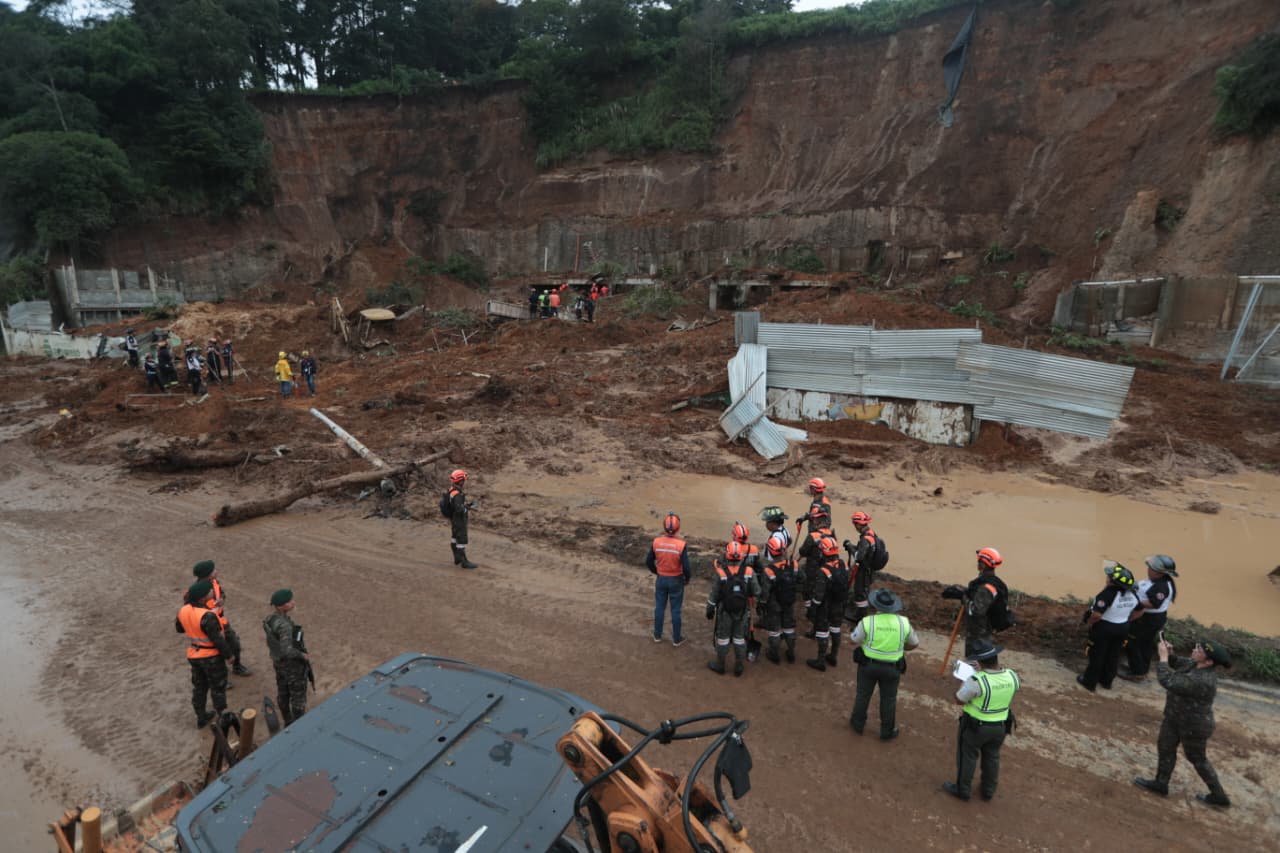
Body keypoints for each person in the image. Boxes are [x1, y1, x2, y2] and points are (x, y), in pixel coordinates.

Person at [1134, 637, 1232, 807]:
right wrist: (1171, 655)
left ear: (1209, 662)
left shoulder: (1202, 679)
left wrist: (1163, 657)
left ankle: (1219, 796)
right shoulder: (1195, 663)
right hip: (1174, 718)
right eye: (1196, 647)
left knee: (1197, 758)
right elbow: (1179, 663)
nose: (1194, 651)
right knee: (1165, 747)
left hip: (1194, 726)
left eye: (1199, 650)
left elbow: (1168, 681)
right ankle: (1161, 784)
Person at [943, 639, 1020, 802]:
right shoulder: (1012, 676)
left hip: (976, 726)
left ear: (978, 661)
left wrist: (962, 681)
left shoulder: (976, 681)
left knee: (968, 756)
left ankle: (963, 789)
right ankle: (988, 790)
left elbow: (959, 699)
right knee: (992, 756)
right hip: (1001, 725)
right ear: (995, 658)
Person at [849, 588, 919, 740]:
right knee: (889, 699)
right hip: (892, 668)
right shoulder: (904, 623)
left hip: (868, 666)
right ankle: (887, 731)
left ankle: (857, 724)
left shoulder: (868, 622)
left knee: (863, 694)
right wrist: (901, 647)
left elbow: (854, 639)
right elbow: (914, 643)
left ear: (875, 605)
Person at [175, 579, 234, 729]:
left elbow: (180, 629)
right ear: (202, 598)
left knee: (199, 687)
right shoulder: (207, 615)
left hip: (194, 655)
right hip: (211, 656)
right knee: (218, 688)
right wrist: (229, 655)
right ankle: (222, 717)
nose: (213, 592)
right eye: (210, 591)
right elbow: (217, 640)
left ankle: (201, 717)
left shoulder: (184, 610)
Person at [1077, 561, 1140, 692]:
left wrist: (1089, 623)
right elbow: (1140, 610)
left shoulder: (1107, 594)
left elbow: (1097, 615)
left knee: (1097, 655)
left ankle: (1089, 682)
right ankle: (1106, 682)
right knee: (1113, 655)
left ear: (1112, 581)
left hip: (1104, 628)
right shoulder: (1133, 593)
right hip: (1123, 628)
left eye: (1109, 576)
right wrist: (1127, 619)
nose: (1107, 578)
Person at [942, 547, 1013, 657]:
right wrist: (964, 592)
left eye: (979, 561)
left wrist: (962, 597)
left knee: (976, 657)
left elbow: (975, 610)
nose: (977, 563)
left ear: (983, 565)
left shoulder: (987, 587)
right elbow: (977, 597)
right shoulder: (989, 581)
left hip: (980, 630)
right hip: (983, 628)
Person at [705, 541, 760, 677]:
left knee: (723, 639)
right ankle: (739, 666)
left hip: (725, 612)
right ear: (741, 557)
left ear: (727, 556)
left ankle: (720, 665)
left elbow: (714, 594)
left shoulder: (721, 573)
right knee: (740, 638)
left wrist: (710, 609)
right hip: (742, 610)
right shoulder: (749, 571)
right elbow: (757, 591)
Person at [1121, 555, 1178, 682]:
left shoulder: (1161, 586)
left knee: (1132, 643)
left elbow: (1153, 603)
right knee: (1145, 645)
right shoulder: (1158, 582)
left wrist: (1133, 602)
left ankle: (1137, 673)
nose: (1148, 570)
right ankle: (1142, 669)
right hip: (1153, 619)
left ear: (1159, 573)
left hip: (1148, 620)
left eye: (1151, 568)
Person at [191, 560, 251, 677]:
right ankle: (221, 676)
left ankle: (237, 666)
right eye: (213, 570)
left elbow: (221, 593)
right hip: (208, 626)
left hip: (221, 621)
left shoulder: (214, 582)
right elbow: (191, 609)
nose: (216, 571)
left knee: (234, 644)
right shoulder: (195, 591)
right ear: (206, 574)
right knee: (216, 652)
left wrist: (222, 599)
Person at [263, 588, 311, 726]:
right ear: (281, 606)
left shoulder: (270, 619)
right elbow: (287, 650)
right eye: (289, 601)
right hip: (292, 666)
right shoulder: (284, 626)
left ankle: (288, 721)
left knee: (283, 692)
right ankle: (298, 725)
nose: (293, 602)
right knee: (298, 698)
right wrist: (302, 655)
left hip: (278, 663)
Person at [758, 507, 798, 662]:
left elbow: (765, 591)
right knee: (789, 625)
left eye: (767, 522)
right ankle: (791, 652)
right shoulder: (785, 532)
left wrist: (762, 601)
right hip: (788, 592)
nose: (765, 525)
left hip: (775, 592)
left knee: (774, 628)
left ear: (773, 523)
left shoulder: (774, 540)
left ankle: (774, 654)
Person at [646, 512, 691, 646]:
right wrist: (687, 579)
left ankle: (657, 635)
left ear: (664, 527)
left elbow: (648, 561)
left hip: (661, 579)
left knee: (659, 607)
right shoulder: (681, 545)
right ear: (678, 528)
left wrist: (657, 572)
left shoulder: (656, 542)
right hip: (676, 580)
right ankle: (677, 639)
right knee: (675, 610)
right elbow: (687, 567)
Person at [806, 536, 848, 672]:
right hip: (839, 603)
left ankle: (820, 660)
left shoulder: (823, 571)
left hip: (825, 606)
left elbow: (819, 594)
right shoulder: (844, 564)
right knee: (836, 630)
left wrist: (813, 607)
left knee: (822, 632)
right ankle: (833, 656)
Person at [842, 510, 885, 625]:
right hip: (869, 568)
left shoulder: (865, 539)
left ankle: (860, 617)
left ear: (858, 524)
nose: (855, 527)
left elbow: (858, 556)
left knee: (860, 592)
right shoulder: (871, 534)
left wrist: (849, 546)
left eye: (855, 524)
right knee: (863, 591)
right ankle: (861, 614)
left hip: (864, 570)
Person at [444, 469, 477, 569]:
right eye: (464, 480)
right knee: (461, 539)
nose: (464, 482)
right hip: (459, 519)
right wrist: (467, 509)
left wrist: (465, 506)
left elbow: (454, 505)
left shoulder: (451, 490)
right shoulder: (457, 494)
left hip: (453, 518)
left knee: (454, 537)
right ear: (461, 481)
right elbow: (459, 509)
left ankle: (457, 558)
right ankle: (464, 562)